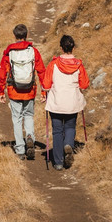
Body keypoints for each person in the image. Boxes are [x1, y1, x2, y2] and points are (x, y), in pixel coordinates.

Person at [0, 23, 46, 160]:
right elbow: (42, 71)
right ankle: (30, 137)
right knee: (28, 115)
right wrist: (44, 92)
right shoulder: (33, 52)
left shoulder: (9, 53)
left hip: (14, 91)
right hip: (30, 90)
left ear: (15, 36)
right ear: (26, 35)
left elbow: (1, 73)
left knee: (17, 119)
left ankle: (20, 149)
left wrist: (1, 92)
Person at [42, 34, 89, 170]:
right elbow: (84, 84)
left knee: (57, 131)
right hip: (72, 103)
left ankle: (58, 162)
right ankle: (68, 144)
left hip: (56, 103)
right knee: (70, 127)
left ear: (61, 48)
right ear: (73, 48)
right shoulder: (79, 65)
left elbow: (46, 85)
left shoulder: (53, 64)